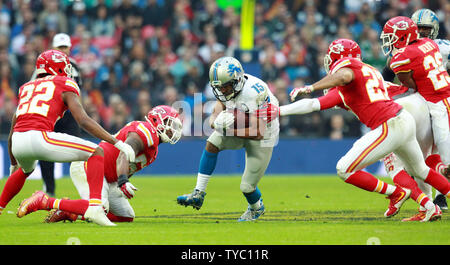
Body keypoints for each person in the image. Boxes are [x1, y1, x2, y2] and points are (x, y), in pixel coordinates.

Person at [259, 39, 449, 221]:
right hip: (404, 118)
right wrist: (280, 111)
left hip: (390, 124)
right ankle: (430, 208)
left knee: (344, 169)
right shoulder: (369, 71)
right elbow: (316, 104)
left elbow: (338, 80)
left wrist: (310, 87)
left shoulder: (348, 71)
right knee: (421, 169)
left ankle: (396, 193)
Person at [0, 49, 136, 226]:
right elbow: (83, 121)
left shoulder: (26, 87)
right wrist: (116, 141)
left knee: (25, 170)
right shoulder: (65, 82)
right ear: (58, 67)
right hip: (40, 138)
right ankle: (95, 208)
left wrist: (12, 162)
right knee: (96, 151)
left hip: (18, 141)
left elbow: (12, 131)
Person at [17, 106, 183, 225]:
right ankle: (45, 201)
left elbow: (126, 162)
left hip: (108, 177)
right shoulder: (147, 131)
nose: (173, 129)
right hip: (91, 165)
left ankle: (72, 212)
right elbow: (124, 154)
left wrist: (119, 184)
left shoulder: (153, 149)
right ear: (157, 120)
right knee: (100, 209)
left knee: (126, 216)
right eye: (170, 123)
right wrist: (123, 181)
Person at [176, 56, 280, 221]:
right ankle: (198, 193)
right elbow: (221, 103)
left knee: (247, 187)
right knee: (212, 143)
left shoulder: (253, 92)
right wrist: (213, 120)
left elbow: (257, 131)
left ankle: (256, 208)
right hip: (239, 125)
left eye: (226, 86)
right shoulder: (227, 88)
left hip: (264, 133)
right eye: (219, 87)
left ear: (237, 80)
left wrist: (229, 130)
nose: (223, 90)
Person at [381, 16, 450, 212]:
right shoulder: (430, 44)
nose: (388, 41)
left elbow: (409, 83)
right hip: (439, 98)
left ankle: (431, 202)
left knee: (441, 163)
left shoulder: (401, 57)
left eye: (391, 37)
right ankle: (430, 205)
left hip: (438, 105)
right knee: (433, 162)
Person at [34, 33, 84, 197]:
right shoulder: (42, 67)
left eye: (65, 47)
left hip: (69, 115)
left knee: (78, 152)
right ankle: (49, 190)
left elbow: (78, 91)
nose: (63, 50)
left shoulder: (74, 65)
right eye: (60, 47)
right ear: (53, 48)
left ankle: (86, 190)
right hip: (49, 114)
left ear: (69, 47)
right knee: (45, 153)